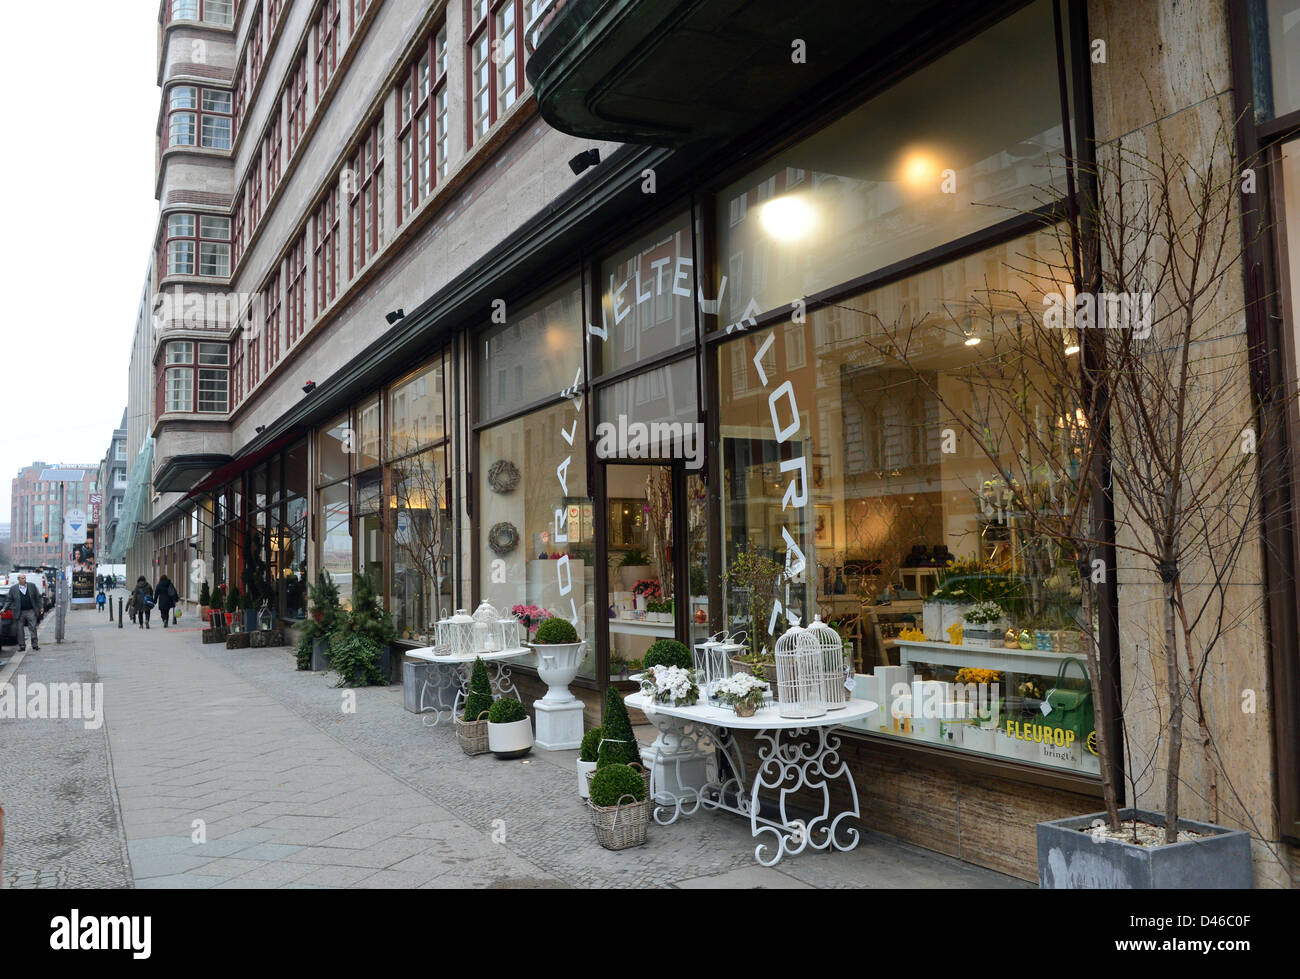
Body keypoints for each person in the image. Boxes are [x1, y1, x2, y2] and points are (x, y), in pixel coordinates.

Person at [9, 573, 42, 651]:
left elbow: (38, 597)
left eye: (24, 578)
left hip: (30, 610)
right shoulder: (13, 588)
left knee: (33, 627)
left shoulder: (32, 586)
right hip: (19, 612)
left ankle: (35, 645)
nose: (24, 579)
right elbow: (9, 600)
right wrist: (4, 608)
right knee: (20, 629)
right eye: (22, 578)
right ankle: (22, 646)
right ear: (18, 579)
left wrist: (41, 607)